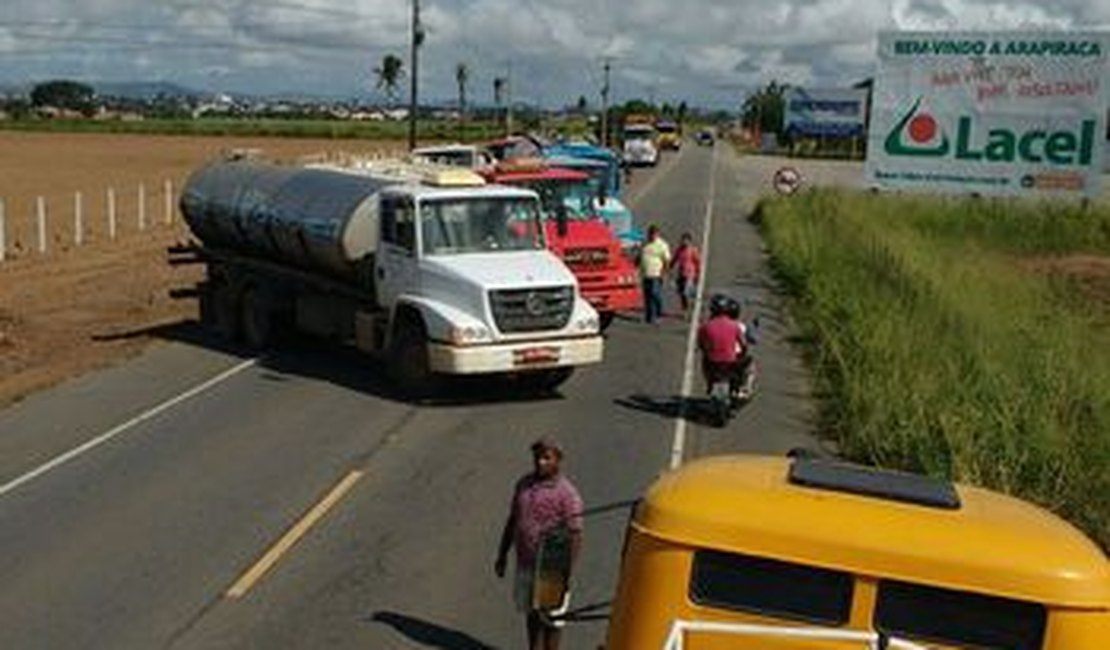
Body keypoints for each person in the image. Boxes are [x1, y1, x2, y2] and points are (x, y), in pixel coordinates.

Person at [495, 436, 584, 650]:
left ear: (558, 460)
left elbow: (576, 535)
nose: (540, 462)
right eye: (537, 458)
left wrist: (566, 572)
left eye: (546, 458)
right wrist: (502, 554)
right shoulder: (524, 484)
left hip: (552, 567)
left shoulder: (567, 494)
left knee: (551, 622)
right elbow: (513, 519)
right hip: (526, 563)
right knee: (532, 616)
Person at [697, 293, 753, 399]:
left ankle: (710, 383)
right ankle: (742, 388)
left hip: (712, 363)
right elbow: (743, 344)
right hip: (730, 362)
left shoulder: (705, 326)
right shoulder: (734, 326)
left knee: (705, 361)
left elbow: (701, 344)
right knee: (747, 365)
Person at [638, 224, 671, 323]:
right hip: (645, 274)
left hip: (656, 274)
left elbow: (667, 260)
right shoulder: (644, 243)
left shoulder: (662, 245)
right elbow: (639, 256)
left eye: (654, 234)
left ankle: (658, 312)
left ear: (657, 234)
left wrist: (664, 272)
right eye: (650, 234)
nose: (652, 236)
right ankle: (649, 317)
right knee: (647, 296)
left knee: (655, 294)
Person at [672, 232, 701, 314]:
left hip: (690, 274)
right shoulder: (679, 250)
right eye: (683, 240)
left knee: (686, 292)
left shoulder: (693, 250)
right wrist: (670, 266)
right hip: (681, 274)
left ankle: (688, 308)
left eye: (686, 240)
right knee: (681, 293)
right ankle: (685, 307)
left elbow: (697, 261)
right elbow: (674, 259)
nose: (684, 242)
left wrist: (698, 273)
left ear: (689, 241)